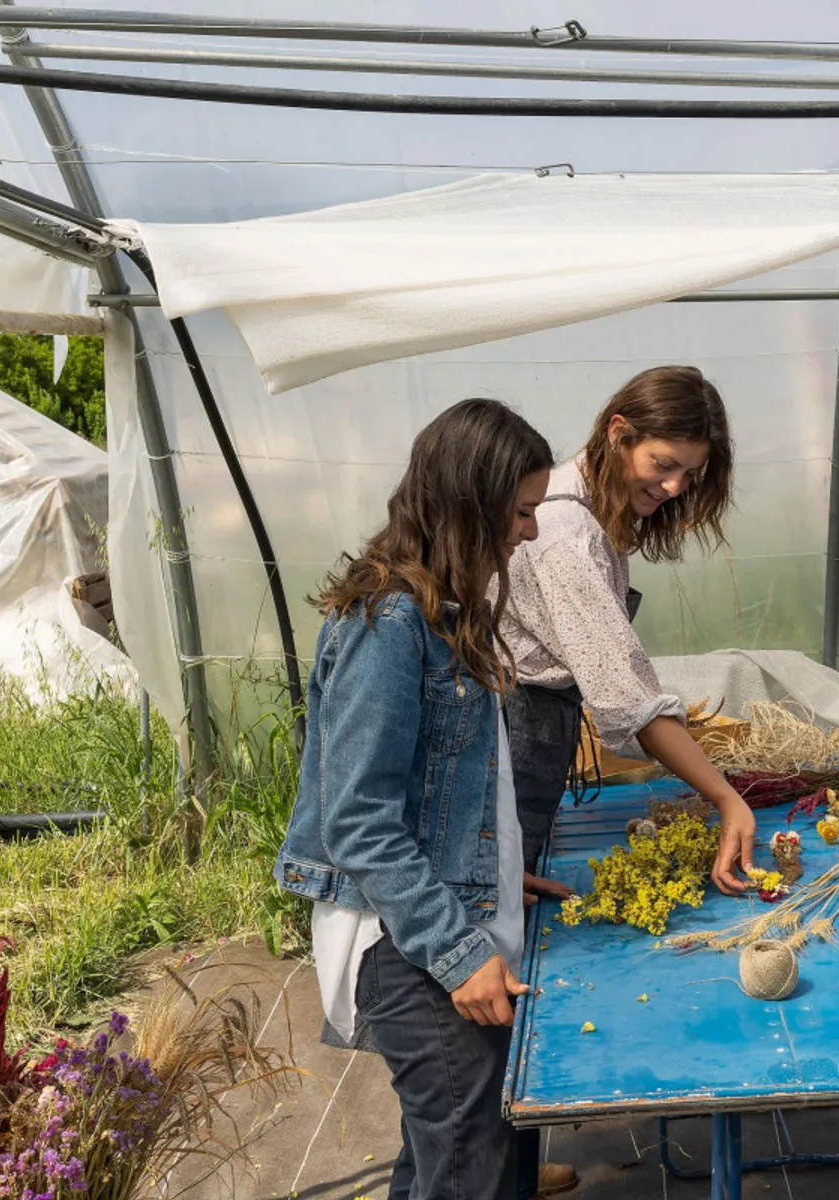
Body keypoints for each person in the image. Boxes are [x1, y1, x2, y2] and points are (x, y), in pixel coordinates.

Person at [274, 398, 579, 1200]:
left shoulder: (441, 611)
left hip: (437, 915)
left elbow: (437, 796)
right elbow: (360, 820)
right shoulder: (390, 622)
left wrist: (494, 869)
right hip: (402, 941)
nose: (531, 532)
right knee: (468, 1155)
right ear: (470, 503)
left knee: (453, 1149)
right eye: (519, 511)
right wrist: (459, 951)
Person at [499, 365, 756, 900]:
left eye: (690, 473)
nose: (674, 486)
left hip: (534, 728)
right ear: (619, 433)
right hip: (513, 732)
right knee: (501, 899)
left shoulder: (590, 506)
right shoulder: (566, 535)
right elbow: (630, 702)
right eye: (663, 465)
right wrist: (726, 798)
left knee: (511, 887)